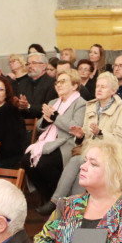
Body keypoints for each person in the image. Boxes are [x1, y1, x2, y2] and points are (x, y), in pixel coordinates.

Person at [42, 71, 122, 212]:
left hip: (113, 154)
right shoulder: (91, 106)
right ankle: (70, 208)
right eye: (97, 86)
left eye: (103, 87)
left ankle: (63, 205)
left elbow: (121, 140)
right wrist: (79, 136)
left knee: (79, 165)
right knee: (80, 167)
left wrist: (101, 133)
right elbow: (84, 135)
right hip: (91, 152)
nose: (99, 89)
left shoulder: (121, 109)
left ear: (113, 91)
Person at [25, 68, 86, 202]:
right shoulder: (53, 102)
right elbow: (39, 126)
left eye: (63, 82)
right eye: (57, 82)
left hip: (66, 143)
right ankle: (46, 196)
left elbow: (75, 127)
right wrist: (46, 120)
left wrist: (56, 117)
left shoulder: (80, 103)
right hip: (48, 142)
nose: (58, 85)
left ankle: (55, 198)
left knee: (44, 164)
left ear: (75, 85)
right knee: (25, 161)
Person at [15, 52, 57, 119]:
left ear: (44, 66)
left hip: (42, 123)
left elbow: (49, 108)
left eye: (34, 63)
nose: (30, 66)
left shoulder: (52, 83)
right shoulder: (22, 83)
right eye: (28, 63)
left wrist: (28, 106)